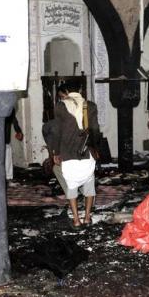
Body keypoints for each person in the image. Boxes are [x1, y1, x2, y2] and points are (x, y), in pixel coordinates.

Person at [51, 81, 100, 229]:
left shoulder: (60, 106)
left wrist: (55, 152)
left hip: (68, 153)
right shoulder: (91, 106)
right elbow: (95, 130)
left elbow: (56, 131)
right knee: (89, 185)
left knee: (71, 186)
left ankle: (76, 220)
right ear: (80, 89)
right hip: (86, 153)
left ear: (66, 92)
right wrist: (96, 149)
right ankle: (87, 218)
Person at [5, 107, 23, 183]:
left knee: (7, 155)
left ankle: (8, 178)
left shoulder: (9, 108)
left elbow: (14, 120)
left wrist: (18, 131)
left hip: (5, 139)